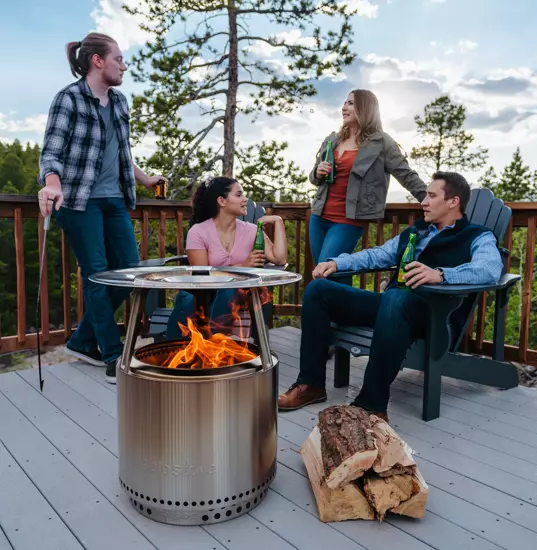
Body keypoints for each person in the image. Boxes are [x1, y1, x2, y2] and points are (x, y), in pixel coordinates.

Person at [278, 172, 503, 421]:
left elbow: (489, 269)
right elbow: (376, 255)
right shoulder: (415, 232)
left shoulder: (477, 235)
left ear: (453, 202)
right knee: (318, 290)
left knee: (395, 298)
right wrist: (337, 262)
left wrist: (441, 274)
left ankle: (371, 404)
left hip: (432, 315)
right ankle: (311, 385)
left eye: (431, 196)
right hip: (392, 309)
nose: (424, 202)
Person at [37, 33, 167, 384]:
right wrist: (51, 183)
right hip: (78, 200)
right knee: (96, 273)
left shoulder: (120, 101)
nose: (124, 65)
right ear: (98, 61)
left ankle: (81, 340)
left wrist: (145, 179)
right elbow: (51, 151)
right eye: (119, 59)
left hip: (114, 199)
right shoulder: (69, 99)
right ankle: (113, 355)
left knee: (129, 273)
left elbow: (122, 151)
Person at [309, 89, 427, 284]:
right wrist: (317, 172)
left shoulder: (381, 143)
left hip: (348, 220)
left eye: (350, 103)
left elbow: (405, 174)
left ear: (365, 108)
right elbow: (314, 178)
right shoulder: (332, 140)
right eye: (344, 103)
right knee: (333, 274)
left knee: (325, 272)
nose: (344, 107)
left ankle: (343, 313)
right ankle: (343, 314)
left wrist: (430, 199)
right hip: (319, 216)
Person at [166, 176, 288, 338]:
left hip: (243, 295)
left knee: (229, 291)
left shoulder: (251, 230)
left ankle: (212, 346)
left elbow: (279, 259)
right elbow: (201, 278)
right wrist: (242, 266)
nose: (245, 200)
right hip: (206, 294)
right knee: (187, 300)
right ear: (222, 201)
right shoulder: (199, 232)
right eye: (238, 195)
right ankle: (175, 353)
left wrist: (278, 221)